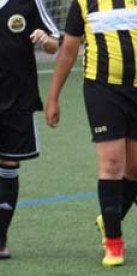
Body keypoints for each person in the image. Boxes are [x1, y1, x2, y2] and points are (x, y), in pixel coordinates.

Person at [45, 0, 137, 267]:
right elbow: (68, 51)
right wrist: (53, 97)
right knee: (112, 162)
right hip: (102, 90)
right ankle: (114, 243)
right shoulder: (83, 3)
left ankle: (108, 219)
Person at [0, 0, 60, 259]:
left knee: (9, 164)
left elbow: (54, 43)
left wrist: (44, 39)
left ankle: (0, 238)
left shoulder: (28, 2)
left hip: (17, 98)